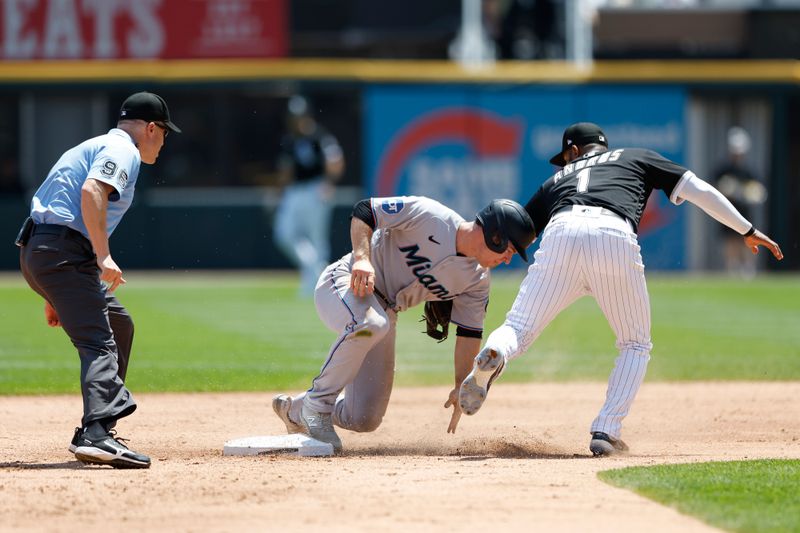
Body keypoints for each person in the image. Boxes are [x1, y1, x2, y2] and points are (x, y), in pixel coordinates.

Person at [457, 122, 783, 456]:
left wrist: (480, 259)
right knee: (635, 343)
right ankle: (606, 430)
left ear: (573, 151)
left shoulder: (555, 180)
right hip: (612, 232)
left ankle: (495, 353)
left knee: (517, 328)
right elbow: (699, 190)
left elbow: (515, 230)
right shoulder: (636, 157)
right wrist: (746, 228)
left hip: (561, 231)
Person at [272, 196, 536, 452]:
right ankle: (317, 407)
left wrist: (460, 386)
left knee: (364, 418)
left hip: (385, 313)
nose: (508, 259)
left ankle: (296, 410)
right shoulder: (430, 215)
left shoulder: (477, 280)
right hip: (345, 283)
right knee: (372, 323)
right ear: (496, 237)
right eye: (510, 250)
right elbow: (365, 210)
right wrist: (362, 258)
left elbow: (469, 333)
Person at [16, 91, 181, 469]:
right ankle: (97, 435)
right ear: (151, 128)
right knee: (99, 342)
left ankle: (100, 424)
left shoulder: (94, 144)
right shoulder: (122, 149)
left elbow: (62, 202)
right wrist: (103, 255)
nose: (164, 140)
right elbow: (92, 191)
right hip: (62, 253)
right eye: (164, 133)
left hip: (43, 251)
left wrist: (53, 291)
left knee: (119, 324)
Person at [273, 95, 345, 296]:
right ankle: (316, 269)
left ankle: (315, 286)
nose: (296, 121)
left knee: (318, 240)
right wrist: (278, 194)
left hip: (316, 189)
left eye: (299, 116)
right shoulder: (290, 140)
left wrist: (329, 183)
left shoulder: (319, 136)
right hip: (295, 192)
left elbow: (336, 161)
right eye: (293, 117)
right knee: (284, 234)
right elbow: (285, 172)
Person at [712, 126, 767, 278]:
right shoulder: (722, 169)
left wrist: (750, 193)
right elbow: (713, 187)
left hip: (745, 213)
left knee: (746, 240)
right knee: (730, 242)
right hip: (727, 211)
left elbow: (759, 191)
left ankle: (748, 270)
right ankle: (732, 271)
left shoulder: (749, 171)